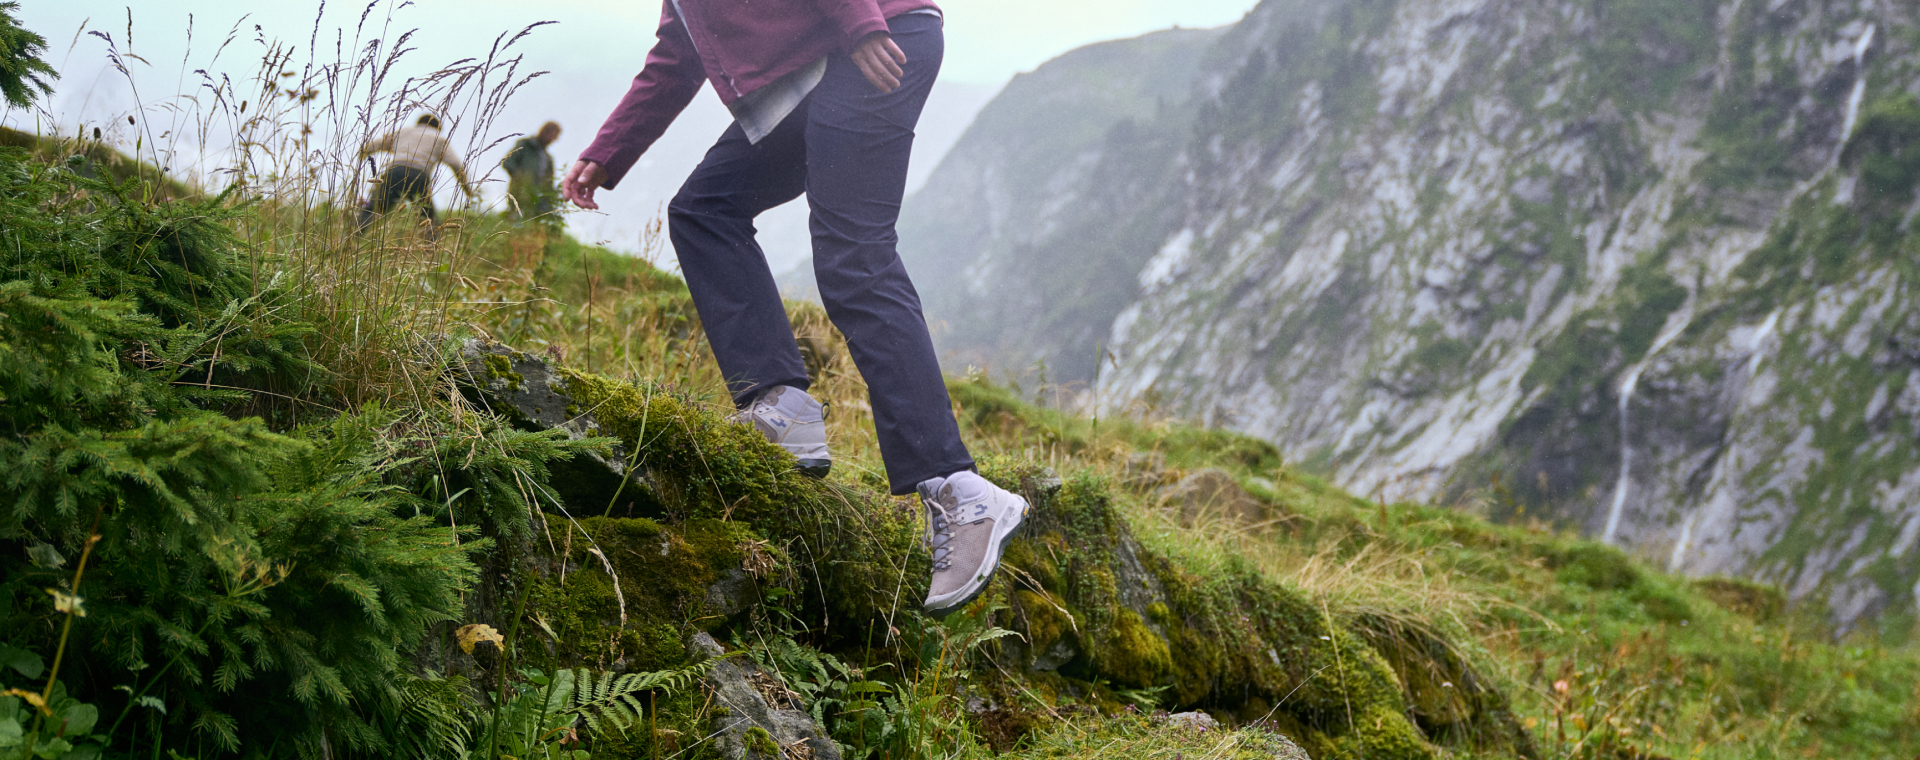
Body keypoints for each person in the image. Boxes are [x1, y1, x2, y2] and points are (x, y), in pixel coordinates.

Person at [562, 0, 1025, 616]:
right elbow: (678, 53)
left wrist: (857, 20)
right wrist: (609, 150)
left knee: (854, 257)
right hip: (815, 65)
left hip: (869, 38)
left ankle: (960, 491)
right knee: (704, 210)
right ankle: (780, 406)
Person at [356, 113, 478, 232]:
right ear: (438, 127)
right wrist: (467, 190)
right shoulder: (439, 137)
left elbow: (374, 145)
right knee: (427, 217)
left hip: (394, 171)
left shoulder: (404, 131)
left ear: (418, 123)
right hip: (419, 175)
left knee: (373, 209)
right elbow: (455, 164)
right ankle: (430, 248)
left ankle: (352, 238)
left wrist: (362, 155)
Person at [502, 121, 561, 222]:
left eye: (553, 137)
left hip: (538, 199)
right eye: (550, 135)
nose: (551, 139)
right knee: (514, 219)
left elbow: (549, 182)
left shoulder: (547, 159)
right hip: (520, 192)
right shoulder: (524, 145)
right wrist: (520, 177)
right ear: (543, 131)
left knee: (535, 222)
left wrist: (551, 198)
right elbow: (508, 162)